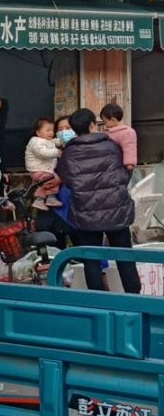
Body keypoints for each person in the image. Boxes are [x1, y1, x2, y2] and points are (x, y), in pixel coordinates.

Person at [56, 108, 141, 294]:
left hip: (86, 212)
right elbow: (124, 174)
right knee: (124, 257)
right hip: (116, 210)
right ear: (92, 125)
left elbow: (65, 179)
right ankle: (134, 300)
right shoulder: (110, 145)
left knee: (91, 260)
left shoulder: (69, 152)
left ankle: (98, 301)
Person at [23, 117, 62, 211]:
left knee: (47, 182)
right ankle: (47, 199)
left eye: (52, 131)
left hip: (43, 169)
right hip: (38, 169)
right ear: (38, 132)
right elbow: (42, 152)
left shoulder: (48, 141)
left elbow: (56, 142)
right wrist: (57, 152)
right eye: (48, 130)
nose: (51, 133)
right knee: (51, 180)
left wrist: (62, 141)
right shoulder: (35, 141)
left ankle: (43, 200)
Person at [100, 103, 138, 172]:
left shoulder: (127, 132)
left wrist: (129, 164)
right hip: (111, 167)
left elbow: (129, 148)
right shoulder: (109, 132)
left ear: (113, 120)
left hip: (122, 168)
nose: (105, 124)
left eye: (105, 122)